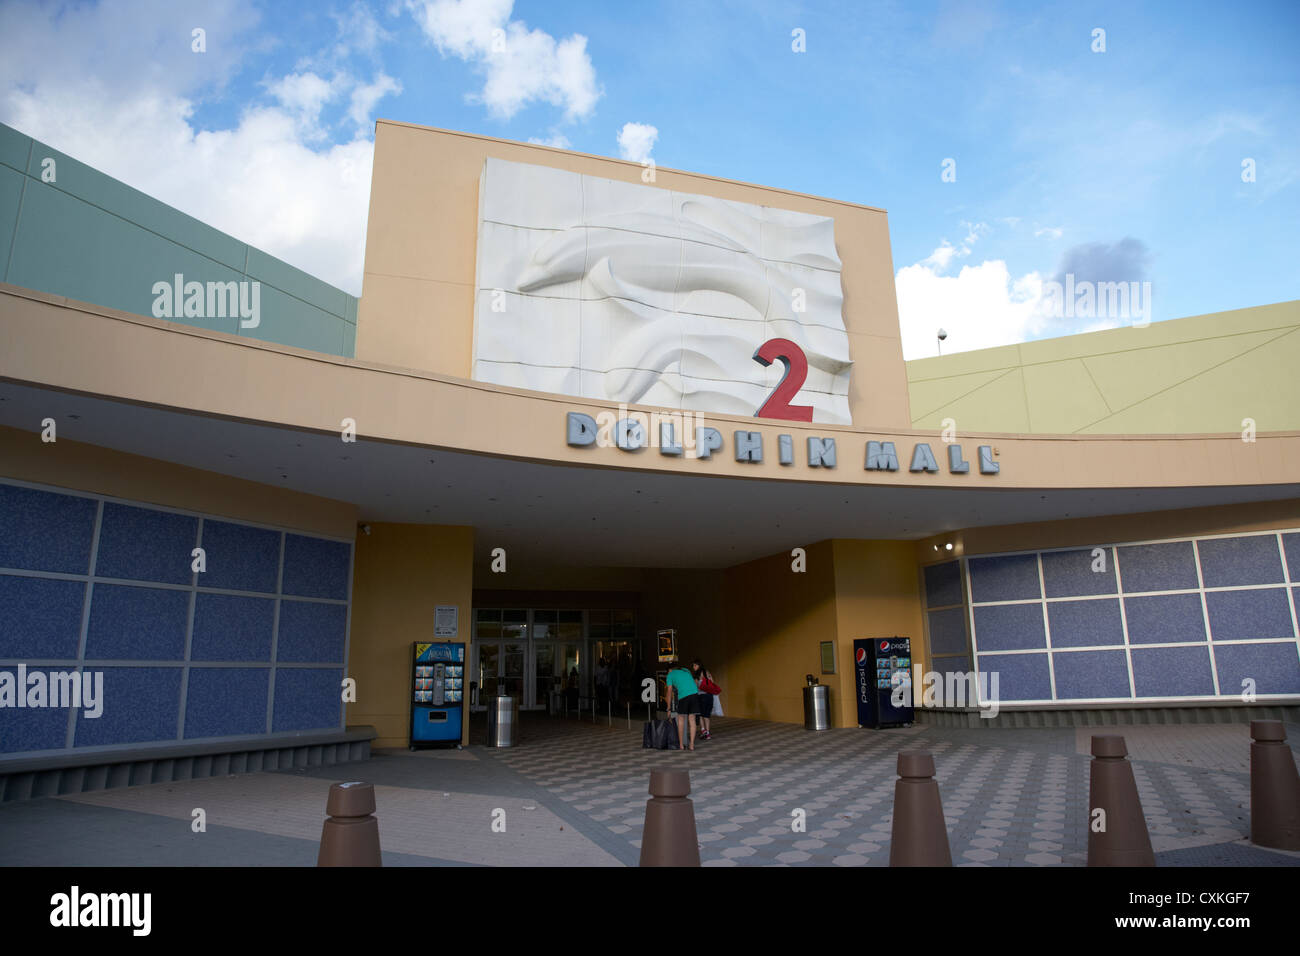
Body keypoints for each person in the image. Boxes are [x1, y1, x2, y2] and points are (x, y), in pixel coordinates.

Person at [664, 660, 700, 751]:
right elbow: (692, 682)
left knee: (681, 719)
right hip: (694, 694)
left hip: (683, 696)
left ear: (669, 670)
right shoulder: (686, 670)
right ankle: (691, 745)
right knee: (692, 719)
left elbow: (669, 692)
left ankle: (681, 745)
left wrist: (668, 708)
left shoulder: (670, 675)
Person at [692, 660, 720, 740]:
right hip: (709, 696)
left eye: (694, 665)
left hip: (701, 696)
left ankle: (703, 730)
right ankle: (707, 733)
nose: (693, 667)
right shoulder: (707, 672)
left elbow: (696, 686)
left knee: (701, 714)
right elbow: (712, 682)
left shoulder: (697, 674)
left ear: (698, 665)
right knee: (707, 715)